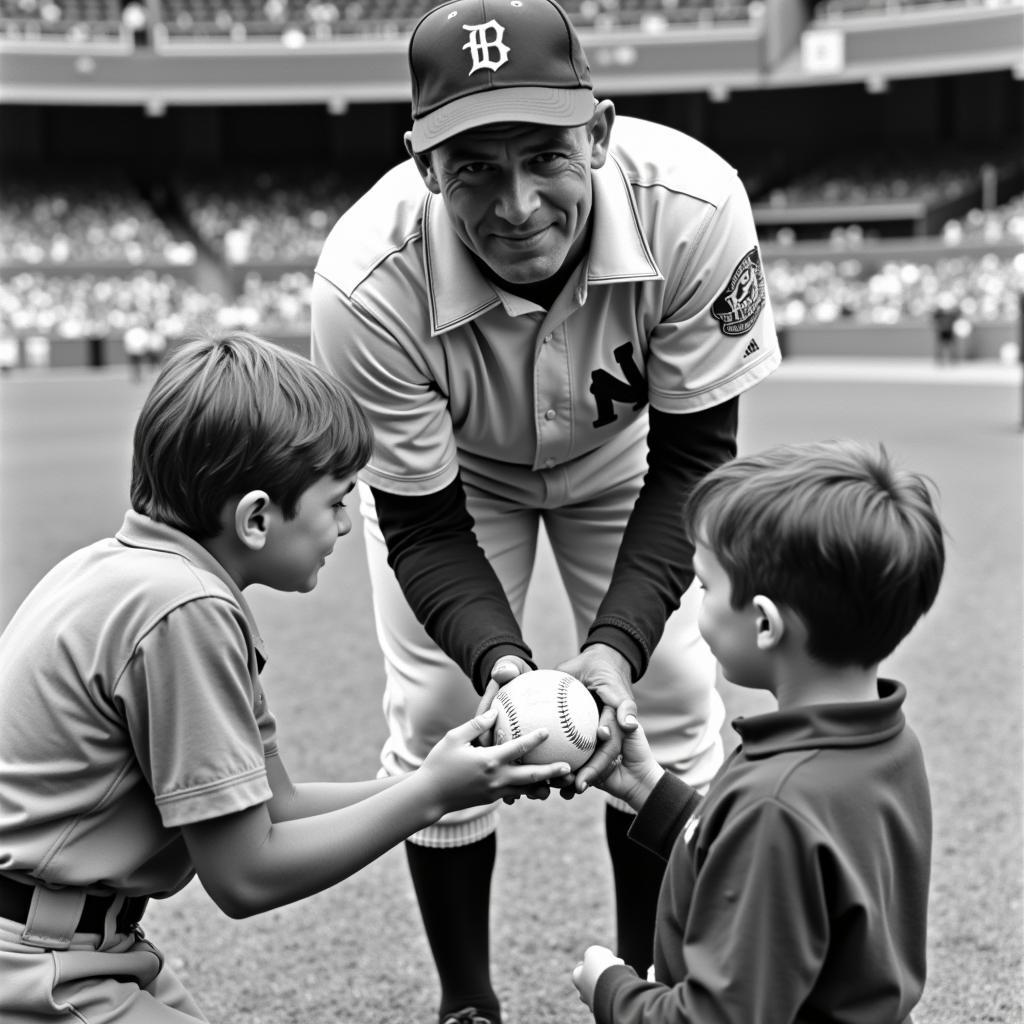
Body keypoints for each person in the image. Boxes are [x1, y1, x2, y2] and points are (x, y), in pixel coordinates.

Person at [311, 1, 781, 1020]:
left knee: (667, 695)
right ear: (424, 166)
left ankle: (652, 984)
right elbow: (424, 526)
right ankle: (466, 1001)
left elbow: (696, 462)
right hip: (459, 483)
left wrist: (610, 647)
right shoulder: (362, 280)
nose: (517, 202)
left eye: (544, 156)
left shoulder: (692, 206)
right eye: (474, 165)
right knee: (440, 713)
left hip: (628, 465)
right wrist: (505, 666)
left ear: (600, 134)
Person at [0, 330, 571, 1023]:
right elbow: (246, 875)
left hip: (83, 943)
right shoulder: (185, 609)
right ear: (257, 517)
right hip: (36, 963)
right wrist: (427, 795)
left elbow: (275, 809)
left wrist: (450, 782)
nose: (342, 525)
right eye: (336, 501)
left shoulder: (129, 572)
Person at [571, 439, 945, 1024]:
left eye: (704, 587)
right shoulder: (884, 743)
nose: (698, 602)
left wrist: (612, 990)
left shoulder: (778, 798)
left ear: (765, 623)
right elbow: (769, 870)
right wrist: (649, 789)